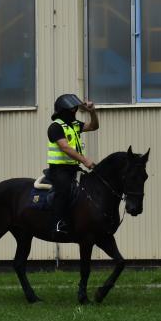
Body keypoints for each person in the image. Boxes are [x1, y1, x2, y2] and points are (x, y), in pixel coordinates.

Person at [46, 93, 98, 235]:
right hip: (59, 170)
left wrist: (92, 111)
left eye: (75, 108)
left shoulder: (75, 125)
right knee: (64, 191)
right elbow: (65, 147)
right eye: (72, 109)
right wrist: (85, 160)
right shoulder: (55, 127)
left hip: (73, 168)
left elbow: (94, 126)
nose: (74, 111)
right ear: (63, 110)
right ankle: (57, 224)